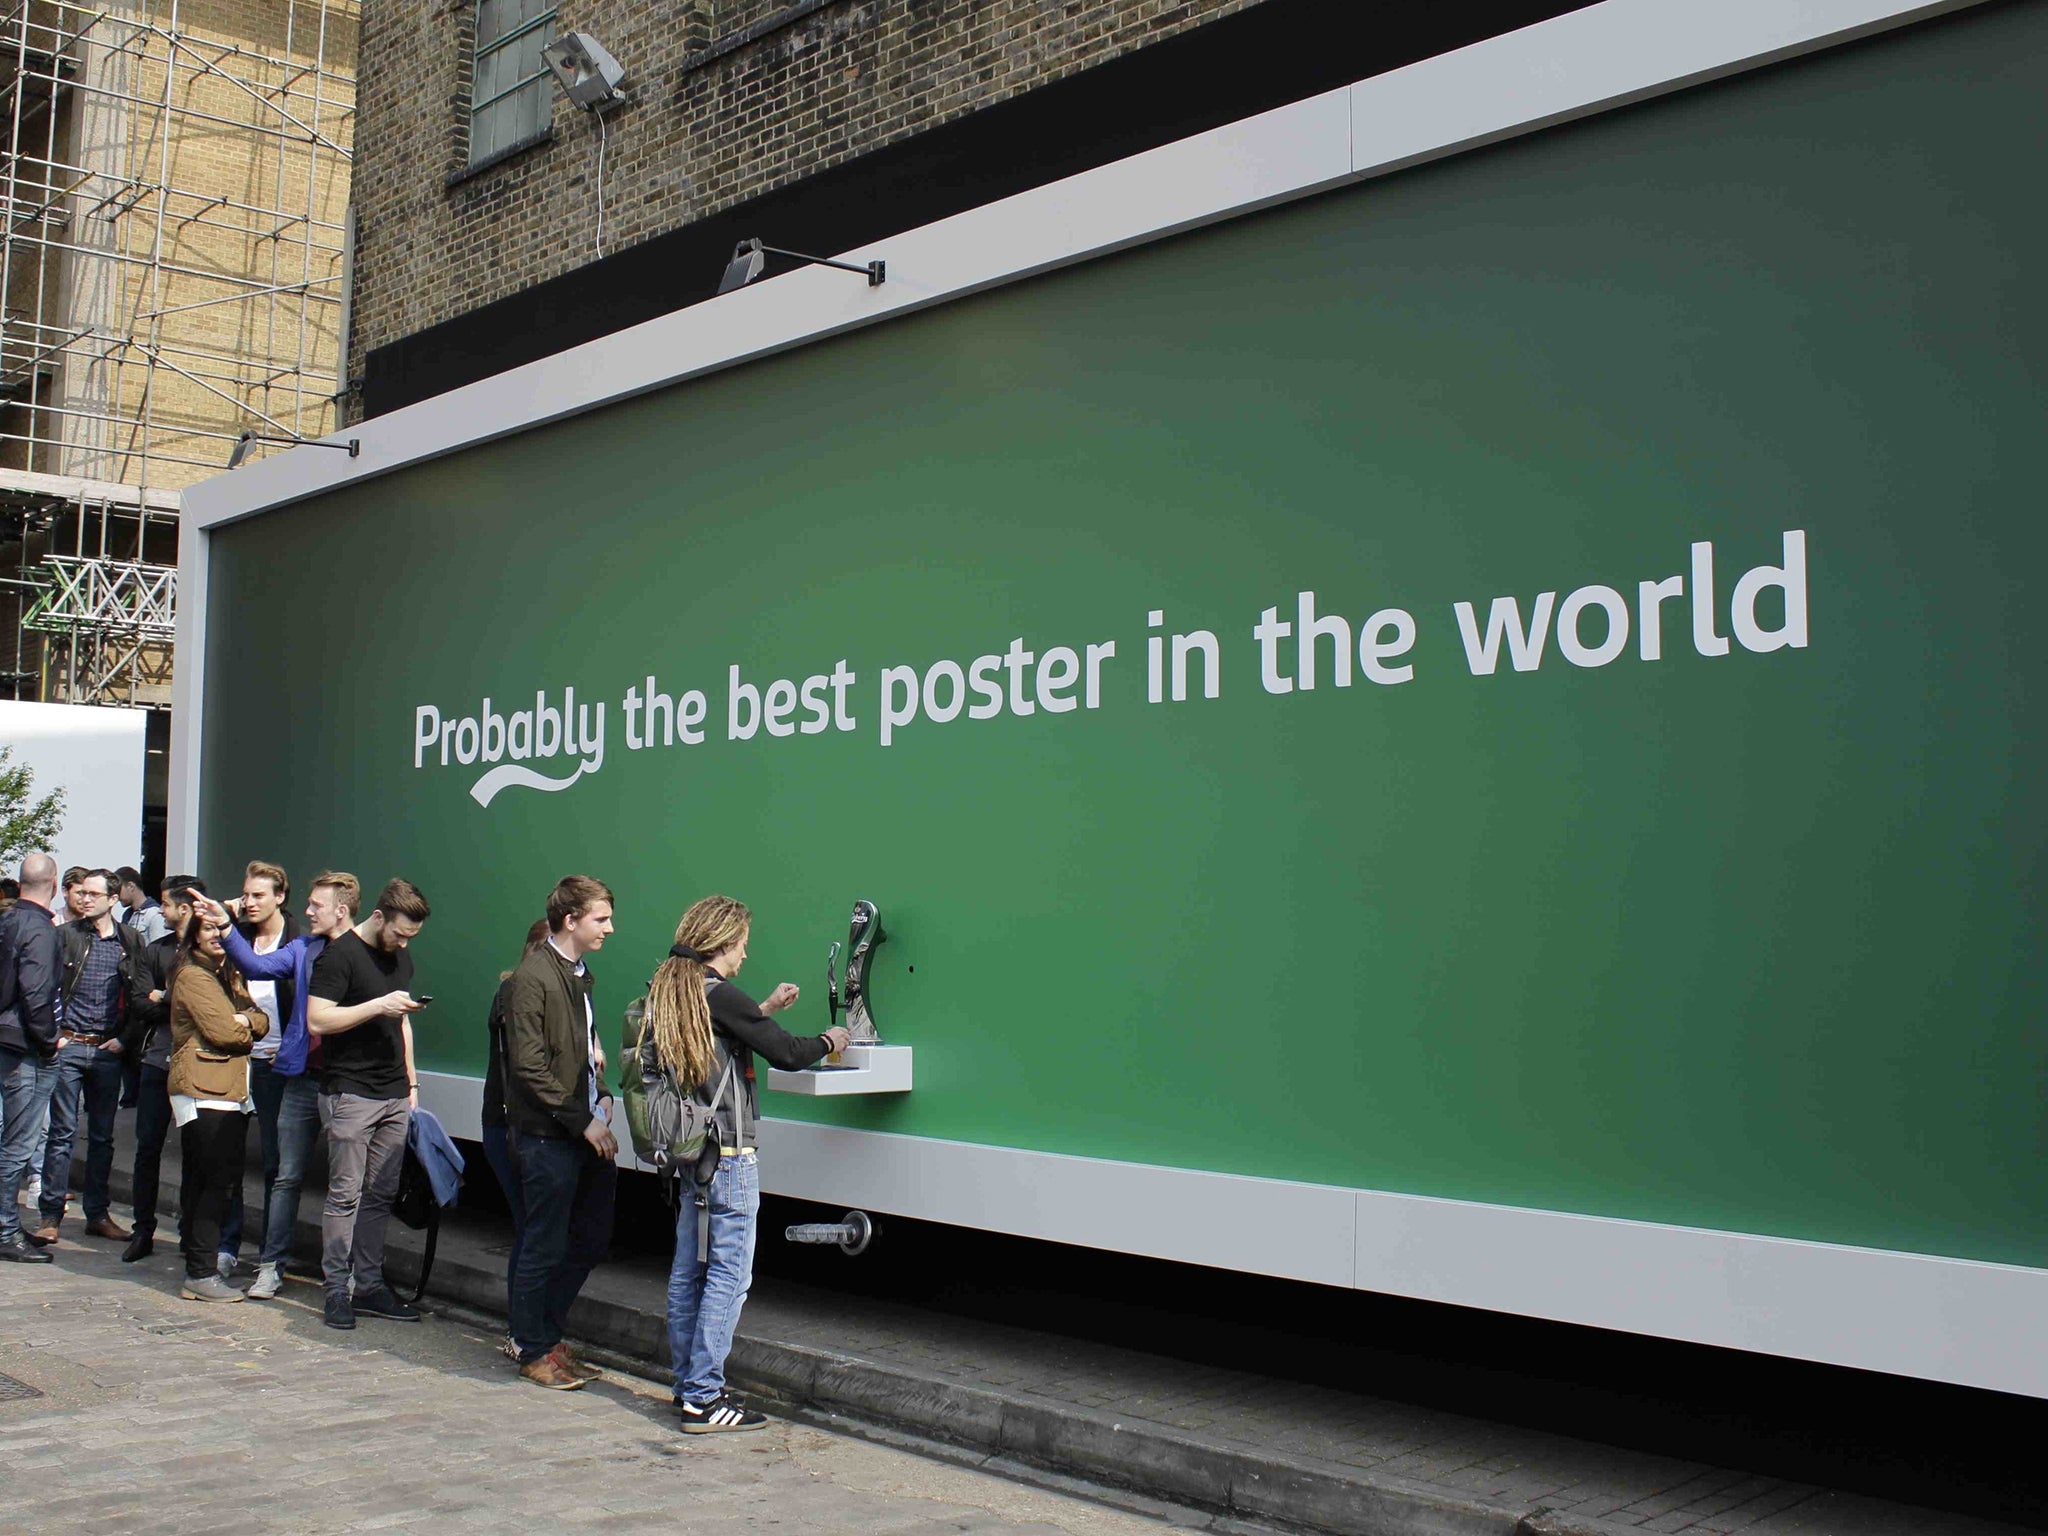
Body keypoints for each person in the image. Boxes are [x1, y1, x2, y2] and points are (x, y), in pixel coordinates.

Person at [644, 894, 847, 1432]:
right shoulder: (722, 993)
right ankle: (705, 1398)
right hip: (729, 1157)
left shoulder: (674, 988)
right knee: (729, 1279)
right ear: (722, 943)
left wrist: (764, 1008)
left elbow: (723, 1036)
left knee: (689, 1274)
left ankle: (686, 1388)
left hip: (692, 1154)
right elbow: (784, 1051)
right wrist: (831, 1039)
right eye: (741, 948)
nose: (744, 958)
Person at [198, 871, 357, 1299]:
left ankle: (344, 1272)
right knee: (285, 1175)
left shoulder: (364, 952)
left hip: (348, 1081)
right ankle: (271, 1266)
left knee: (348, 1182)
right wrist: (227, 926)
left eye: (315, 905)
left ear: (341, 910)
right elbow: (256, 966)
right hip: (301, 1077)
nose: (306, 912)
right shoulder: (304, 949)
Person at [503, 878, 620, 1389]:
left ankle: (548, 1339)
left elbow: (583, 1046)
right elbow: (529, 1064)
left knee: (591, 1238)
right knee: (544, 1243)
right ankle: (532, 1348)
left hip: (581, 1126)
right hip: (549, 1135)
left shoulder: (578, 972)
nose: (610, 929)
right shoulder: (532, 977)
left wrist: (603, 1091)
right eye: (601, 919)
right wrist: (583, 1118)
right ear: (570, 920)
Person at [306, 878, 428, 1331]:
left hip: (394, 1092)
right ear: (378, 917)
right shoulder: (339, 956)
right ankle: (336, 1288)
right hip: (350, 1091)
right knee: (345, 1196)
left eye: (411, 936)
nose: (403, 942)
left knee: (380, 1195)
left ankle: (371, 1285)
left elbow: (402, 1024)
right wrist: (377, 1005)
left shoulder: (401, 955)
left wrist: (412, 1083)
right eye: (399, 933)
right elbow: (317, 1018)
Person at [32, 869, 151, 1246]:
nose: (85, 899)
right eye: (81, 893)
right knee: (62, 1134)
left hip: (106, 1050)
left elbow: (141, 998)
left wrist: (124, 1039)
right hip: (68, 1046)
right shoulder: (65, 936)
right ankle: (50, 1215)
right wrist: (54, 1036)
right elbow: (44, 986)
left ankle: (97, 1214)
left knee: (102, 1137)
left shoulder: (131, 940)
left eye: (94, 894)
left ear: (113, 899)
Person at [167, 906, 266, 1301]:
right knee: (211, 1183)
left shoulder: (230, 975)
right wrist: (244, 1024)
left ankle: (198, 1265)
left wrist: (247, 1021)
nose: (214, 935)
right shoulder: (193, 975)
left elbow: (261, 1019)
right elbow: (228, 1032)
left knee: (209, 1180)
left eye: (219, 929)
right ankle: (202, 1272)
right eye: (206, 929)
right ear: (192, 936)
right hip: (204, 1089)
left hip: (227, 1092)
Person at [214, 860, 299, 1279]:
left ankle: (271, 1256)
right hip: (233, 1061)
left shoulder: (298, 941)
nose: (249, 902)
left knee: (273, 1163)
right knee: (228, 1159)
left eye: (258, 895)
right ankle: (226, 1245)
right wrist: (226, 915)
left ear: (280, 897)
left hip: (275, 1065)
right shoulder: (234, 937)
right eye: (245, 895)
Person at [119, 877, 205, 1262]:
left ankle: (190, 1234)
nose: (161, 912)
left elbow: (211, 1006)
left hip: (197, 1068)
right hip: (156, 1063)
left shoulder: (209, 950)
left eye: (167, 905)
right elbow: (139, 1004)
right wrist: (180, 1005)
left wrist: (167, 997)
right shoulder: (155, 951)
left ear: (183, 908)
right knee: (147, 1149)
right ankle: (143, 1230)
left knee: (196, 1152)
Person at [481, 918, 550, 1341]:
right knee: (531, 1229)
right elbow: (529, 1063)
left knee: (541, 1230)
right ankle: (522, 1332)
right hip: (510, 1124)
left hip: (536, 1126)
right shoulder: (514, 993)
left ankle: (531, 1328)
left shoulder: (569, 992)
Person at [0, 853, 64, 1263]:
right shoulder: (38, 928)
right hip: (25, 1046)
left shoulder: (7, 919)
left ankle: (6, 1224)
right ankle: (5, 1231)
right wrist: (49, 1041)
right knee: (18, 1145)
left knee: (12, 1142)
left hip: (10, 1039)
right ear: (54, 884)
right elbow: (36, 993)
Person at [116, 868, 169, 944]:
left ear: (131, 886)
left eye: (118, 890)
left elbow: (159, 950)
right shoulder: (127, 915)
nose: (116, 896)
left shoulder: (155, 915)